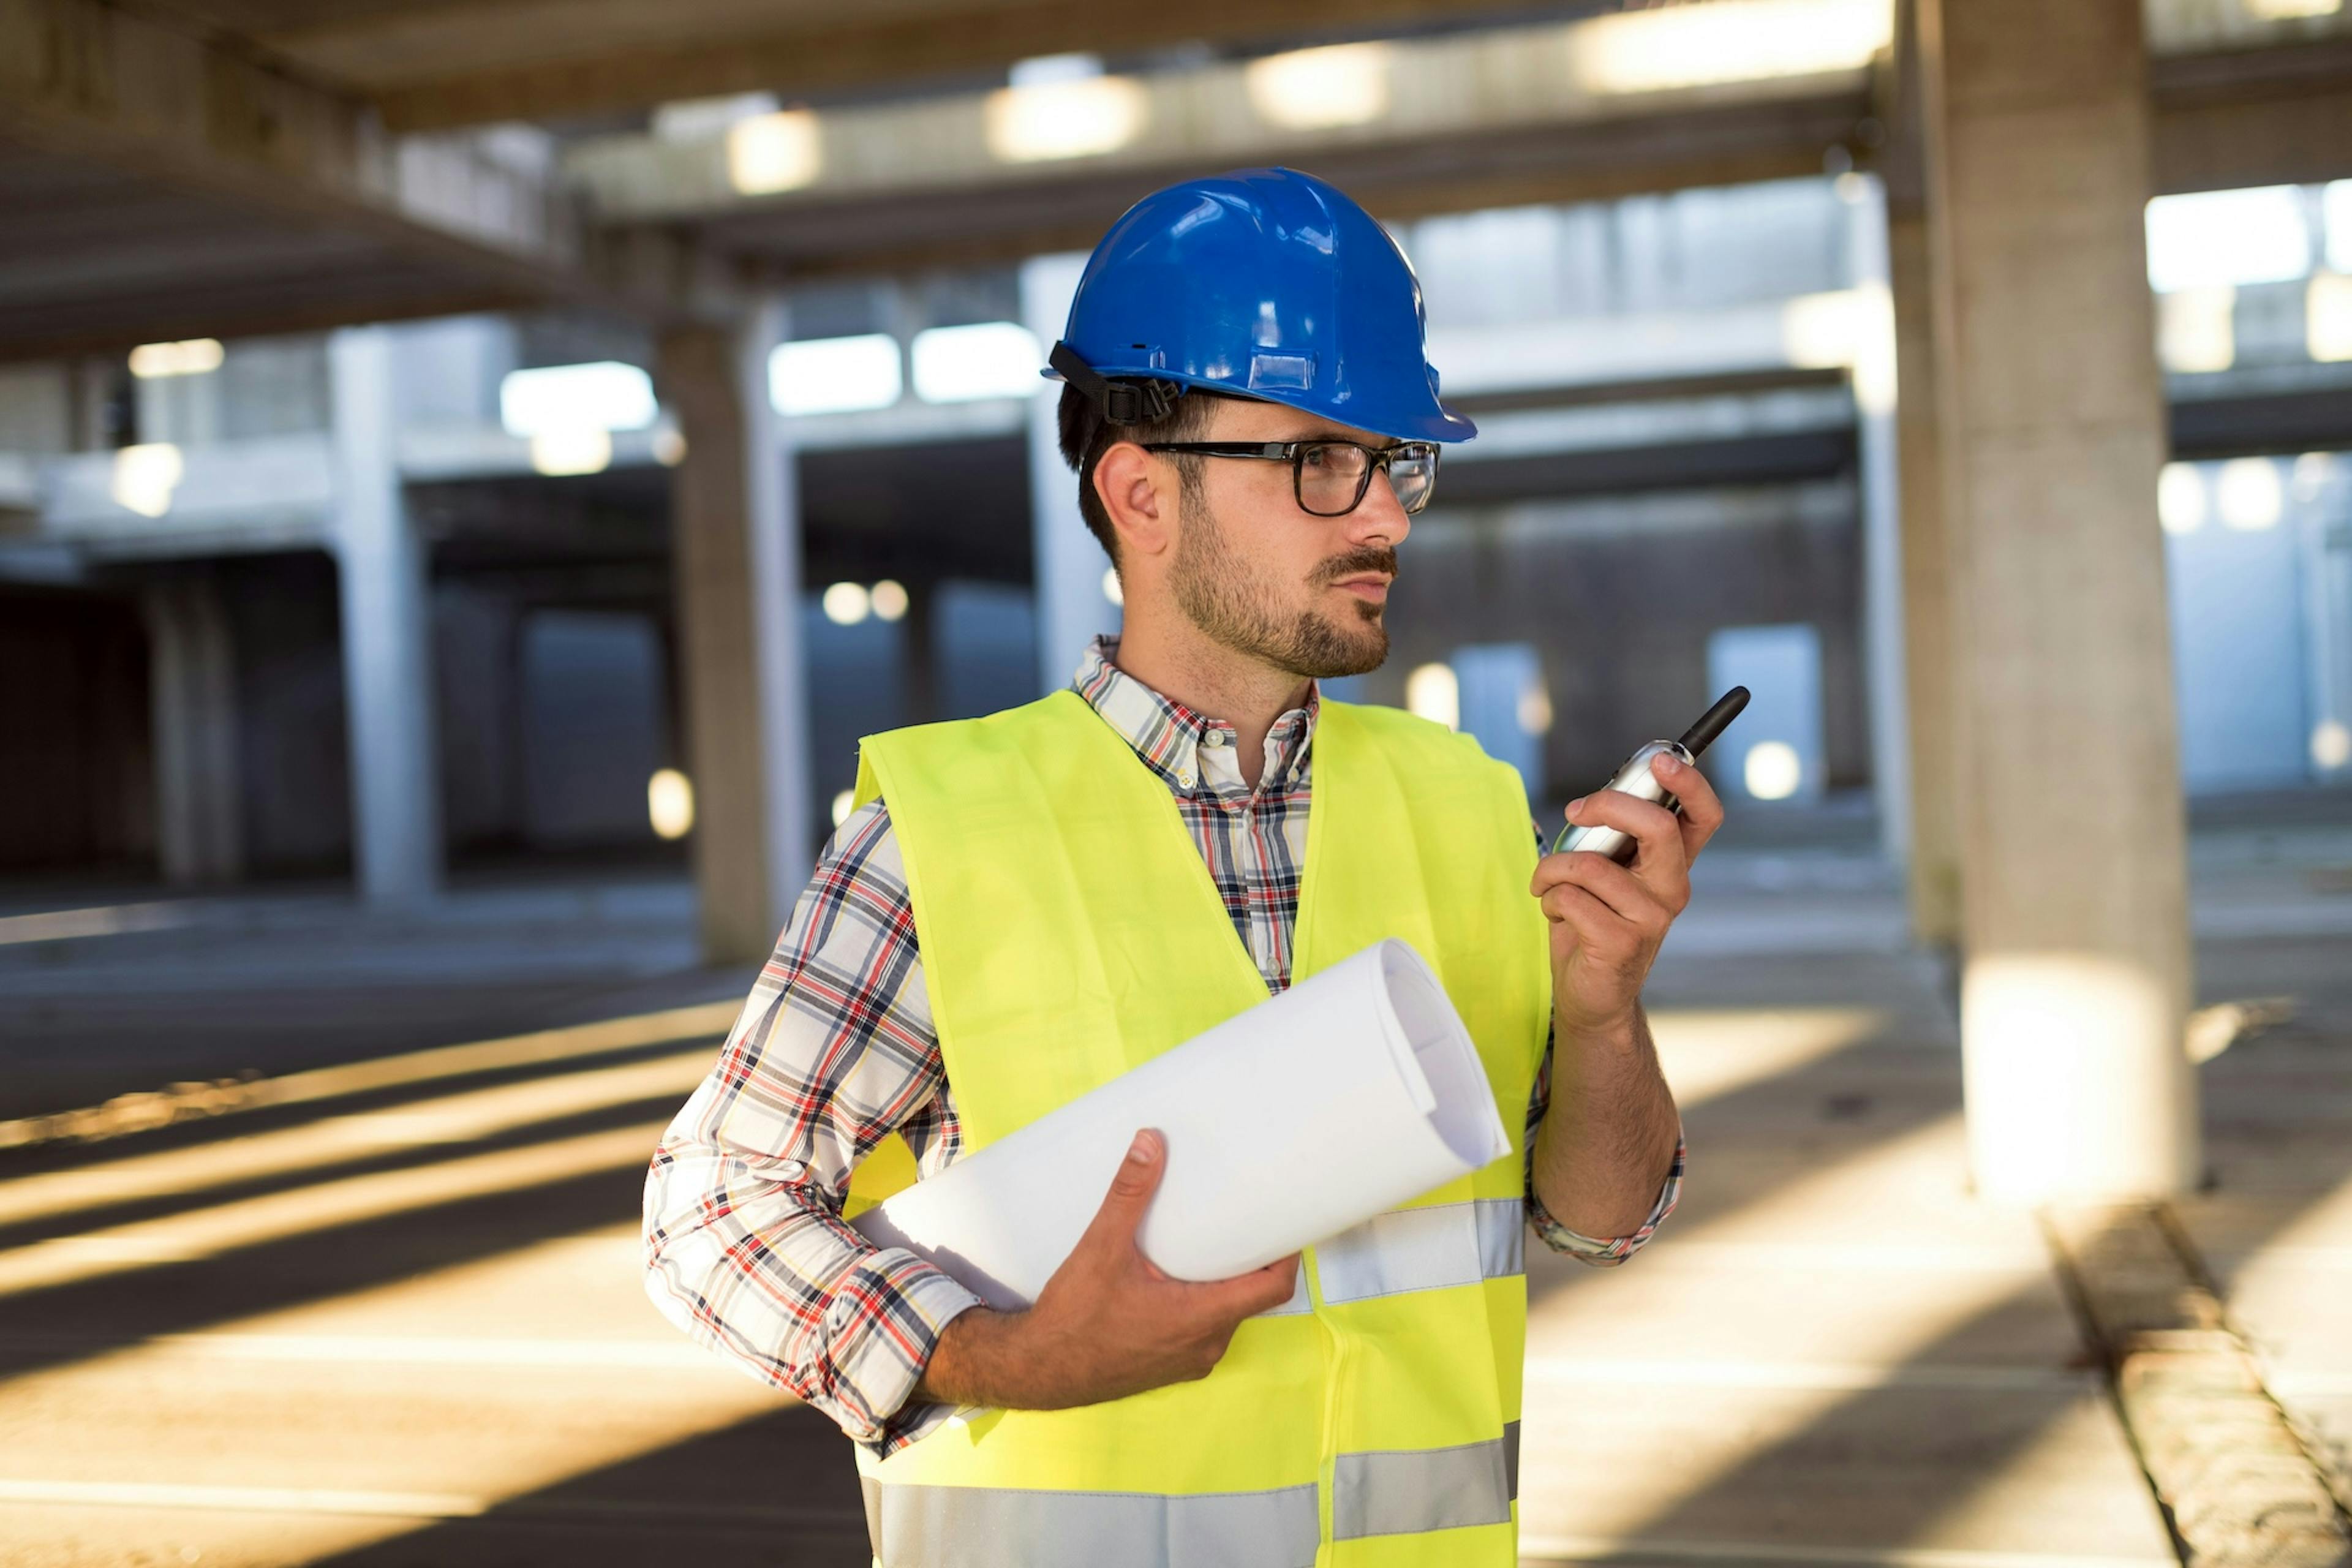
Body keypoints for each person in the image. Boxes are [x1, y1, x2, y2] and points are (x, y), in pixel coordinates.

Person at [644, 166, 1718, 1567]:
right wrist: (998, 1353)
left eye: (1395, 462)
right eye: (1321, 461)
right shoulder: (942, 832)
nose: (1385, 516)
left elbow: (1597, 1217)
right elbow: (710, 1212)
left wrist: (1604, 1011)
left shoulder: (1468, 810)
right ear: (1141, 491)